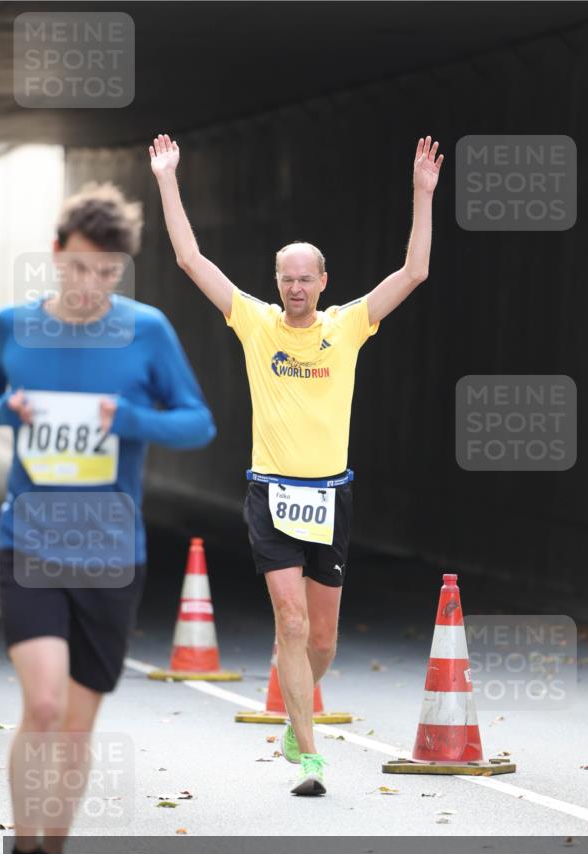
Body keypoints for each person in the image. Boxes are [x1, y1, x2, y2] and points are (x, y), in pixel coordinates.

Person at [149, 131, 443, 796]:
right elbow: (191, 259)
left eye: (306, 278)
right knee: (290, 620)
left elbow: (414, 273)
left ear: (323, 282)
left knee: (323, 640)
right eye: (286, 278)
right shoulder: (255, 323)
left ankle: (294, 713)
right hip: (271, 494)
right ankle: (309, 758)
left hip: (330, 497)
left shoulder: (349, 325)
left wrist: (421, 195)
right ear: (276, 283)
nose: (296, 288)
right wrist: (168, 178)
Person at [0, 181, 217, 854]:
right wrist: (4, 408)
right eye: (81, 269)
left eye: (108, 275)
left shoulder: (146, 333)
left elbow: (198, 423)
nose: (91, 288)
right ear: (56, 256)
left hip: (113, 556)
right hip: (30, 545)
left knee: (77, 731)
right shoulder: (13, 326)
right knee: (43, 707)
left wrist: (132, 418)